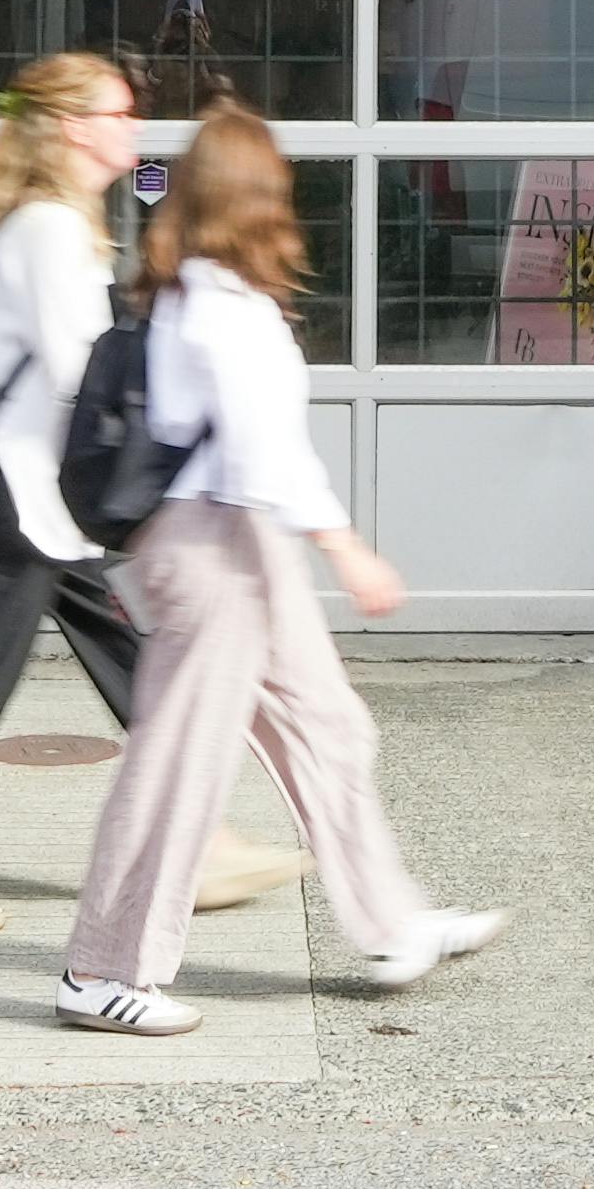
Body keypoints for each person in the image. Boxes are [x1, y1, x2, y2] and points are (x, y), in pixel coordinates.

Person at [49, 104, 504, 1037]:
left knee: (328, 728)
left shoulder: (195, 291)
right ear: (256, 193)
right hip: (215, 548)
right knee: (180, 766)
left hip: (233, 542)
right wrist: (348, 548)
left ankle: (390, 925)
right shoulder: (221, 307)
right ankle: (102, 969)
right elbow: (263, 455)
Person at [0, 50, 298, 941]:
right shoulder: (49, 230)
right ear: (71, 126)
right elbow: (81, 370)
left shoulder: (62, 223)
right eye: (118, 113)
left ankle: (202, 837)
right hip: (29, 499)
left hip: (50, 500)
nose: (134, 128)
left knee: (134, 660)